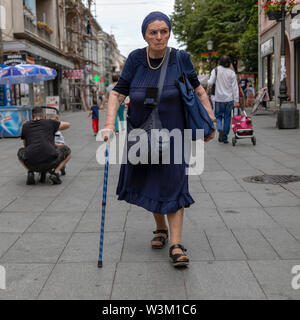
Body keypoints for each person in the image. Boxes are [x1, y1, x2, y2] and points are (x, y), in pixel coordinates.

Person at [101, 12, 216, 268]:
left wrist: (210, 119)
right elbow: (117, 94)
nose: (159, 37)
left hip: (175, 134)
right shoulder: (134, 60)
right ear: (144, 34)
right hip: (141, 132)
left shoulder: (180, 58)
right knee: (151, 180)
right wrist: (109, 124)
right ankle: (160, 228)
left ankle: (176, 244)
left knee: (174, 182)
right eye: (153, 32)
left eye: (164, 31)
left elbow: (198, 90)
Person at [17, 107, 71, 185]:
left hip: (31, 163)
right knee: (67, 151)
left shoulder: (25, 126)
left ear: (32, 117)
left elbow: (25, 145)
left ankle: (30, 172)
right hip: (51, 161)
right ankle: (55, 173)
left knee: (20, 152)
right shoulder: (49, 122)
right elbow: (68, 125)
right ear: (44, 116)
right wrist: (55, 124)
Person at [208, 55, 239, 144]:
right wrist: (236, 100)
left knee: (217, 116)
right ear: (229, 62)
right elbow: (235, 88)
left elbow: (210, 82)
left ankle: (219, 129)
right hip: (229, 99)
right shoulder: (231, 73)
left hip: (218, 98)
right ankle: (225, 138)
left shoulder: (216, 70)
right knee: (227, 118)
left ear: (220, 62)